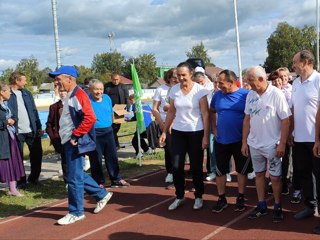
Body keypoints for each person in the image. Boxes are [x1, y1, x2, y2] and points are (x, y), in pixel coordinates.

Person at [48, 66, 113, 225]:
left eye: (58, 78)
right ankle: (101, 194)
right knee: (75, 174)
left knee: (73, 178)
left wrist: (76, 135)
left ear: (69, 78)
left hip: (74, 142)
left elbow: (90, 118)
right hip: (69, 141)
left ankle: (76, 212)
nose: (56, 82)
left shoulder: (78, 95)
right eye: (55, 79)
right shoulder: (70, 95)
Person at [241, 66, 291, 223]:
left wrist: (282, 143)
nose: (248, 83)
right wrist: (244, 142)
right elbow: (247, 119)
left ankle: (277, 206)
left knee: (275, 178)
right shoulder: (250, 95)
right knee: (259, 175)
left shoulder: (276, 94)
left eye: (250, 80)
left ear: (261, 79)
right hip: (254, 144)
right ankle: (261, 204)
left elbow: (285, 120)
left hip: (272, 145)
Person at [159, 62, 209, 211]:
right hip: (178, 132)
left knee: (195, 166)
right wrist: (164, 131)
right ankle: (179, 196)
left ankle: (198, 196)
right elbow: (171, 112)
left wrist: (206, 136)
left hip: (196, 131)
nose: (181, 78)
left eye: (183, 75)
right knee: (176, 166)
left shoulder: (200, 90)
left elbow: (205, 114)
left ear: (191, 74)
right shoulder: (174, 90)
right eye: (178, 75)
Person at [210, 70, 253, 213]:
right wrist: (214, 128)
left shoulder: (246, 95)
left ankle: (240, 196)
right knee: (220, 171)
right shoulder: (217, 95)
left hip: (240, 140)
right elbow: (211, 111)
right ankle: (221, 198)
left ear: (231, 82)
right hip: (221, 140)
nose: (219, 85)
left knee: (241, 170)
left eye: (221, 83)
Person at [289, 50, 320, 227]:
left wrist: (317, 139)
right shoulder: (295, 83)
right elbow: (293, 110)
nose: (293, 65)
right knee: (305, 174)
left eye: (295, 62)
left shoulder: (318, 80)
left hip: (316, 139)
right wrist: (292, 132)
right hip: (300, 139)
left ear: (306, 61)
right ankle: (310, 206)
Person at [88, 79, 130, 188]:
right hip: (95, 133)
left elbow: (111, 113)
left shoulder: (107, 98)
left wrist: (113, 125)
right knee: (96, 159)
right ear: (91, 90)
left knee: (112, 156)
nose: (99, 92)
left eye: (101, 89)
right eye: (96, 89)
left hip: (108, 131)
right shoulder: (87, 100)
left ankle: (116, 179)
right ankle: (99, 182)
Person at [7, 72, 43, 188]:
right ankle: (21, 181)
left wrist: (39, 127)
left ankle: (34, 178)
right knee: (18, 158)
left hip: (31, 130)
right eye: (24, 80)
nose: (26, 82)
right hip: (16, 132)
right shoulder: (7, 94)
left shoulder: (27, 93)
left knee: (37, 154)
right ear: (17, 81)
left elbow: (34, 111)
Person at [152, 68, 178, 185]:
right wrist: (161, 124)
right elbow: (155, 108)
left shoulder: (181, 88)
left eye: (178, 76)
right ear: (169, 76)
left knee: (180, 149)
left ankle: (181, 171)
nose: (176, 79)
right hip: (164, 122)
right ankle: (171, 172)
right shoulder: (160, 89)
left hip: (179, 123)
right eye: (174, 76)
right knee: (169, 149)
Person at [0, 82, 25, 197]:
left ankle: (12, 189)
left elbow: (13, 116)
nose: (10, 93)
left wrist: (12, 120)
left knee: (12, 163)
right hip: (2, 140)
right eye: (8, 91)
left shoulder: (6, 104)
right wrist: (6, 122)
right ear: (1, 92)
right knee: (3, 165)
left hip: (10, 138)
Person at [45, 89, 68, 184]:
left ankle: (79, 181)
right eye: (61, 92)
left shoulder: (73, 104)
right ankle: (68, 182)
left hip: (73, 136)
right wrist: (53, 137)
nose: (62, 93)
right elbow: (49, 124)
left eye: (65, 91)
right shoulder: (54, 107)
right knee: (65, 160)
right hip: (60, 138)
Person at [104, 73, 130, 150]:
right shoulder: (106, 86)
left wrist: (128, 109)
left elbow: (127, 98)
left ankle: (115, 144)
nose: (115, 81)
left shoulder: (123, 86)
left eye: (117, 79)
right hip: (108, 109)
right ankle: (115, 145)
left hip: (120, 109)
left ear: (119, 79)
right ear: (111, 79)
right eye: (114, 80)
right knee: (110, 128)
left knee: (115, 128)